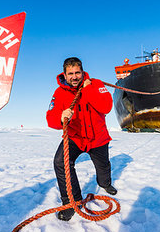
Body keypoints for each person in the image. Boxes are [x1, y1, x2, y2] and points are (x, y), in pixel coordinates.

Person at [46, 57, 117, 221]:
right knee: (60, 162)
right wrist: (61, 117)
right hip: (75, 138)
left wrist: (89, 89)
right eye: (70, 73)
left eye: (77, 72)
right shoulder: (59, 93)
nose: (74, 77)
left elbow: (106, 106)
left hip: (97, 137)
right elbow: (50, 118)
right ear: (64, 74)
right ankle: (72, 202)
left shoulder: (96, 84)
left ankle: (105, 184)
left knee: (103, 166)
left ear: (82, 72)